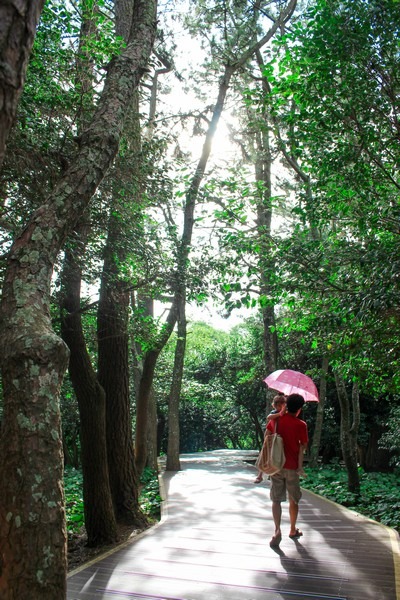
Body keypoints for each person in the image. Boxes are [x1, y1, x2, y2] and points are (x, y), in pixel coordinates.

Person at [266, 393, 308, 547]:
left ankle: (277, 530)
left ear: (286, 405)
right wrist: (300, 466)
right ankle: (292, 529)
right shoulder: (301, 424)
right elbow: (303, 446)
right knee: (293, 499)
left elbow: (268, 435)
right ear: (299, 409)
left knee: (276, 499)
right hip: (292, 467)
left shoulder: (277, 420)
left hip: (277, 465)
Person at [254, 393, 287, 484]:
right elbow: (269, 418)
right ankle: (260, 475)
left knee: (275, 457)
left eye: (281, 405)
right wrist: (280, 413)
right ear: (274, 405)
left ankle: (271, 474)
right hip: (272, 438)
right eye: (277, 405)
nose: (279, 407)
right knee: (266, 457)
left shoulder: (286, 414)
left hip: (280, 439)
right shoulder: (274, 413)